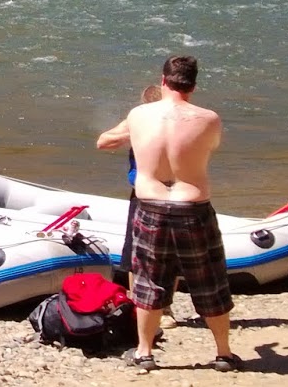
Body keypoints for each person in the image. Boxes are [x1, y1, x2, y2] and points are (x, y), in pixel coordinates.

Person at [118, 56, 238, 372]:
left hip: (150, 205)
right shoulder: (209, 119)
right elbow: (210, 148)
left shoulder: (138, 115)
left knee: (148, 281)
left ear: (163, 80)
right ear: (193, 85)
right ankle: (223, 353)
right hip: (192, 206)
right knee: (209, 280)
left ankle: (144, 352)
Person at [97, 84, 163, 286]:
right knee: (134, 252)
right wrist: (135, 132)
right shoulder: (137, 121)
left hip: (170, 193)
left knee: (166, 255)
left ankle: (164, 306)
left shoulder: (179, 120)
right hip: (143, 193)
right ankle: (137, 303)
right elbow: (103, 142)